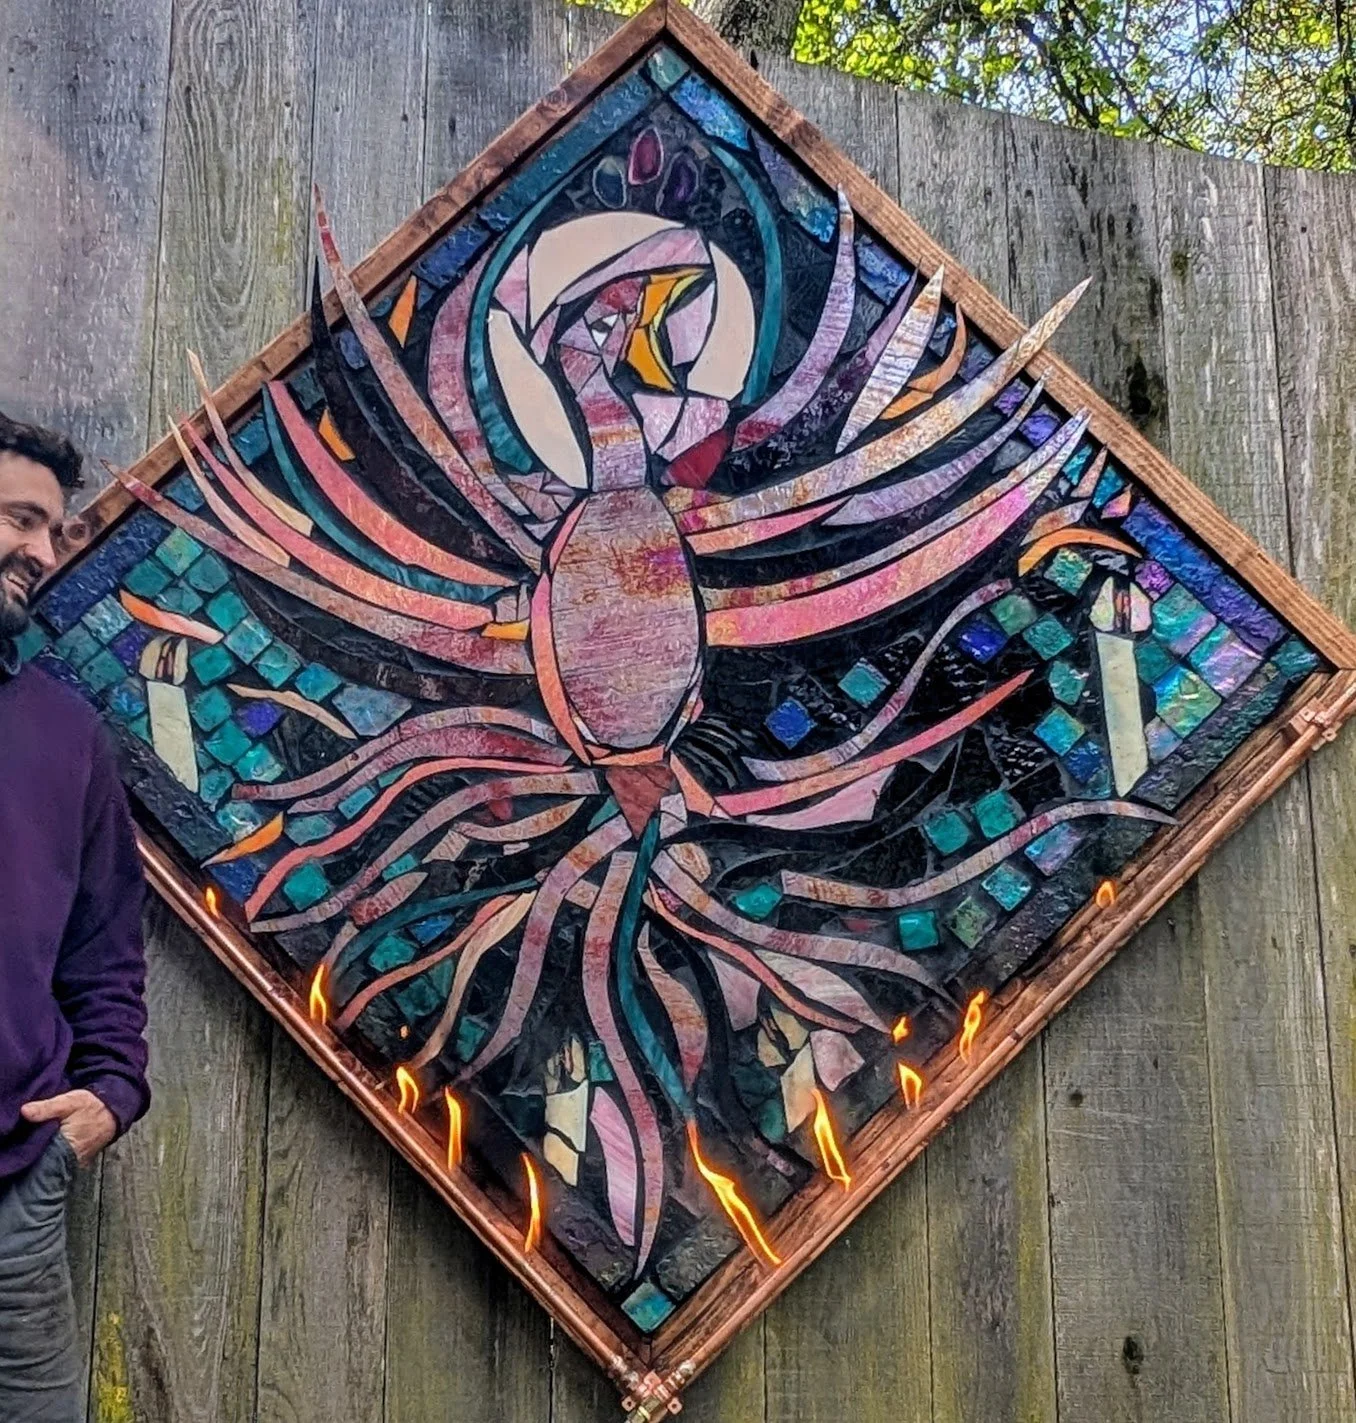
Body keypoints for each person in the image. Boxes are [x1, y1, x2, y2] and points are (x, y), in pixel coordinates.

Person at [0, 411, 150, 1420]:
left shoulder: (66, 736)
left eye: (52, 531)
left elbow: (106, 957)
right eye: (21, 519)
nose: (44, 553)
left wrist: (110, 1093)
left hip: (11, 1199)